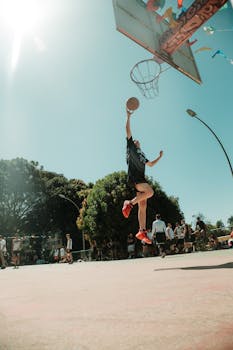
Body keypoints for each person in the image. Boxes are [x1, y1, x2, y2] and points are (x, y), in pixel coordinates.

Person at [122, 107, 163, 244]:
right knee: (150, 192)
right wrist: (128, 117)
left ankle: (142, 231)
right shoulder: (131, 149)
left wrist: (159, 157)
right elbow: (128, 131)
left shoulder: (142, 154)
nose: (137, 141)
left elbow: (150, 164)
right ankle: (129, 203)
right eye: (135, 141)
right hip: (135, 178)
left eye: (138, 141)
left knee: (143, 204)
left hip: (141, 179)